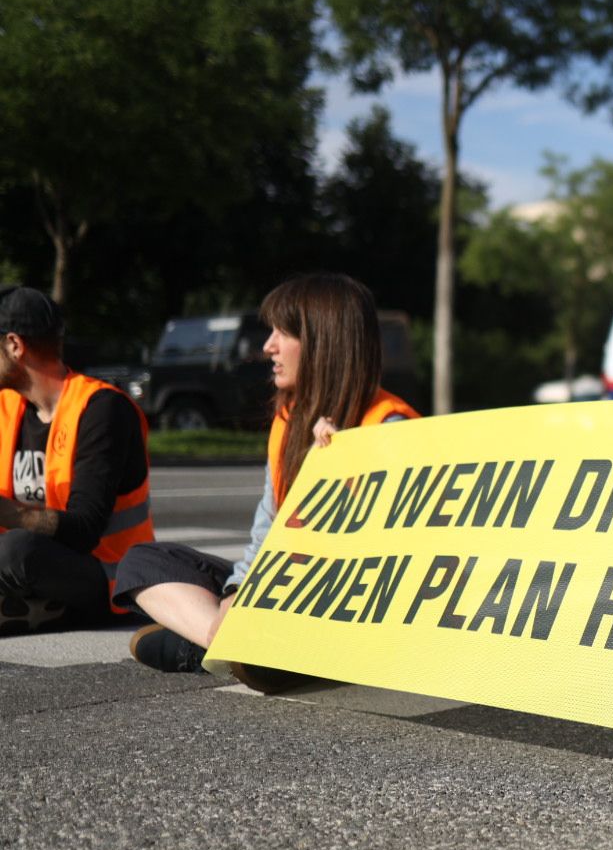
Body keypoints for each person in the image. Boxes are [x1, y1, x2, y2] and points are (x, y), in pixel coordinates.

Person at [117, 273, 418, 681]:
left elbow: (394, 558)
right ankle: (230, 646)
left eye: (283, 333)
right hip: (282, 584)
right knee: (142, 562)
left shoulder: (389, 425)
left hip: (342, 598)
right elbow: (266, 530)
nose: (268, 346)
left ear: (324, 342)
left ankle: (221, 648)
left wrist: (334, 470)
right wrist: (235, 592)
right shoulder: (288, 419)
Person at [0, 285, 156, 635]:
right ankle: (29, 608)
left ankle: (26, 607)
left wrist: (10, 513)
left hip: (109, 575)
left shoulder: (102, 409)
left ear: (14, 345)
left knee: (16, 550)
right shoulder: (6, 406)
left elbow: (85, 529)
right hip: (34, 570)